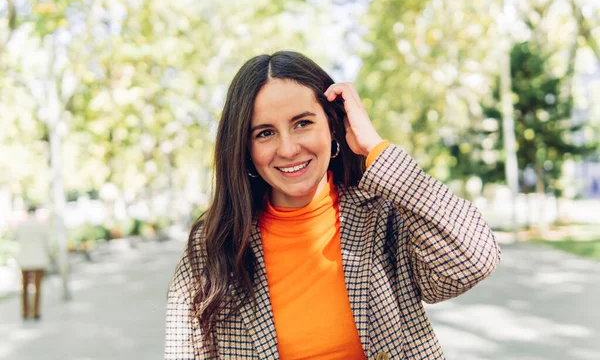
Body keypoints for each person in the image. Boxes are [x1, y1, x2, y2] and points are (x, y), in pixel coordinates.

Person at [165, 51, 501, 359]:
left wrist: (374, 148)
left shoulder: (383, 215)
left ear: (332, 125)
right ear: (245, 148)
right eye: (265, 133)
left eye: (303, 123)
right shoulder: (212, 246)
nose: (288, 149)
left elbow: (474, 260)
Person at [15, 205, 52, 320]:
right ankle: (36, 311)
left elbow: (15, 238)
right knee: (38, 287)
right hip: (39, 259)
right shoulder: (42, 226)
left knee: (24, 287)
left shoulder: (21, 226)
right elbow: (48, 244)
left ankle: (25, 311)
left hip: (25, 259)